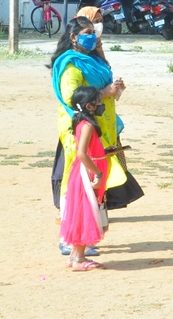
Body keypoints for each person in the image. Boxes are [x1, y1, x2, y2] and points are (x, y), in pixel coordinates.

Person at [49, 17, 125, 256]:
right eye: (87, 32)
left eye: (94, 32)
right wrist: (105, 92)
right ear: (73, 37)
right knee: (77, 182)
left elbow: (105, 93)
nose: (92, 36)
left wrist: (114, 90)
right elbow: (74, 98)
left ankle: (84, 236)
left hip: (100, 126)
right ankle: (69, 239)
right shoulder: (71, 65)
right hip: (80, 127)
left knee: (93, 183)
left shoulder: (93, 60)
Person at [60, 85, 110, 271]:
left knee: (81, 210)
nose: (100, 104)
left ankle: (74, 255)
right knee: (85, 212)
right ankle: (79, 260)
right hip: (87, 173)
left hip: (85, 170)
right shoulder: (87, 125)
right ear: (89, 106)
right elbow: (82, 153)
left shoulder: (80, 123)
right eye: (98, 101)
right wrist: (97, 173)